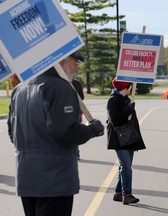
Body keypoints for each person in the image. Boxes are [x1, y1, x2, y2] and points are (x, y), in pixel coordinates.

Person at [7, 51, 105, 216]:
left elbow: (12, 133)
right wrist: (93, 129)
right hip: (54, 179)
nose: (77, 70)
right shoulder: (60, 88)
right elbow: (65, 132)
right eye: (74, 64)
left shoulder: (20, 89)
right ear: (60, 63)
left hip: (27, 176)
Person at [106, 77, 146, 205]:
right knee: (126, 166)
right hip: (119, 138)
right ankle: (127, 195)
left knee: (125, 166)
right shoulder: (112, 101)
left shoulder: (126, 99)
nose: (131, 89)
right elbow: (115, 120)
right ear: (124, 88)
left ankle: (118, 193)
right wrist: (129, 109)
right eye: (129, 86)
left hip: (129, 138)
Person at [72, 78, 85, 159]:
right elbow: (82, 97)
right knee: (75, 131)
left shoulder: (58, 81)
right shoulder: (77, 82)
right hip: (76, 109)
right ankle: (76, 152)